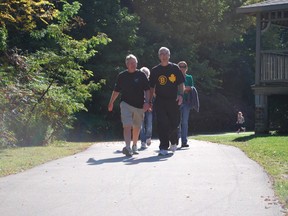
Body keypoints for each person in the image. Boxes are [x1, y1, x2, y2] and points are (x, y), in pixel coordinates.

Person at [108, 54, 150, 157]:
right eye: (131, 63)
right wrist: (111, 102)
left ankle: (134, 145)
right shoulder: (122, 76)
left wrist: (147, 102)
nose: (133, 65)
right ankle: (127, 147)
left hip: (139, 105)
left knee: (136, 127)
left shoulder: (141, 75)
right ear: (126, 64)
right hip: (125, 103)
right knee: (127, 125)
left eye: (134, 63)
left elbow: (147, 90)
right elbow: (116, 91)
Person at [149, 47, 185, 156]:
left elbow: (180, 84)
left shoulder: (175, 68)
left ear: (169, 56)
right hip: (160, 101)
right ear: (159, 56)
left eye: (166, 54)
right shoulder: (155, 70)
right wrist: (150, 100)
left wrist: (180, 95)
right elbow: (151, 87)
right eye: (161, 54)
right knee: (162, 123)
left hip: (173, 100)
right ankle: (163, 147)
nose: (164, 56)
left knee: (174, 123)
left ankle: (173, 141)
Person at [178, 61, 194, 148]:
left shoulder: (189, 77)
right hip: (176, 102)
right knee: (176, 122)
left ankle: (184, 141)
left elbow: (191, 88)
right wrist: (184, 89)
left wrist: (184, 89)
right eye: (180, 66)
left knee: (184, 122)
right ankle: (175, 141)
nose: (181, 68)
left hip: (186, 102)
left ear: (186, 68)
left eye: (183, 66)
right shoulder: (174, 77)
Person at [139, 67, 153, 149]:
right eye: (143, 73)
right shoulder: (137, 84)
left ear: (148, 75)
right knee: (141, 125)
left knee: (149, 124)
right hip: (139, 106)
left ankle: (148, 137)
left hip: (149, 105)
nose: (144, 75)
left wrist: (150, 104)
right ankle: (142, 141)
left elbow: (153, 95)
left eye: (146, 73)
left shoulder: (151, 84)